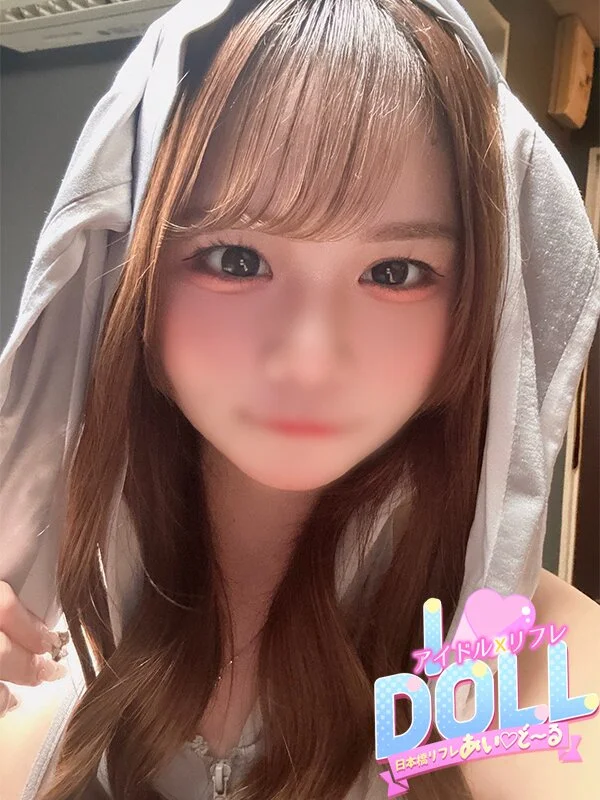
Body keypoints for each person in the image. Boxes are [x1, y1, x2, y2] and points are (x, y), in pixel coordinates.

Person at [0, 0, 598, 798]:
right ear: (127, 279)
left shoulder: (532, 670)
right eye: (235, 259)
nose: (311, 358)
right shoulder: (42, 633)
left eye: (395, 273)